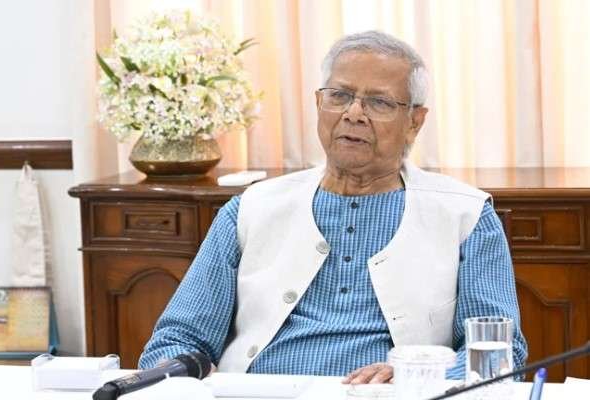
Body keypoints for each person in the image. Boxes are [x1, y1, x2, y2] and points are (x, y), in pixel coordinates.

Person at [139, 30, 527, 384]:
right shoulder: (249, 210)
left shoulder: (466, 216)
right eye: (339, 96)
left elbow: (499, 351)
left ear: (415, 121)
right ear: (318, 103)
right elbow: (177, 339)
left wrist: (418, 375)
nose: (353, 114)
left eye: (378, 102)